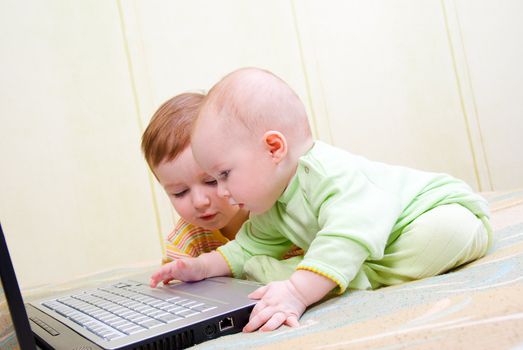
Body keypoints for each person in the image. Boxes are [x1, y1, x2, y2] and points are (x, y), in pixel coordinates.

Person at [149, 68, 492, 333]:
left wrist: (297, 292)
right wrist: (201, 267)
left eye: (223, 175)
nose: (222, 192)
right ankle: (333, 273)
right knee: (319, 257)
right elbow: (247, 248)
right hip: (380, 241)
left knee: (443, 233)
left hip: (439, 212)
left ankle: (338, 277)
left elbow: (348, 231)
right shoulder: (271, 201)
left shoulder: (327, 174)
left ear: (273, 149)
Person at [141, 92, 302, 278]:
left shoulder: (282, 214)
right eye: (180, 192)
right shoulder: (187, 239)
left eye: (211, 180)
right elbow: (177, 288)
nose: (199, 202)